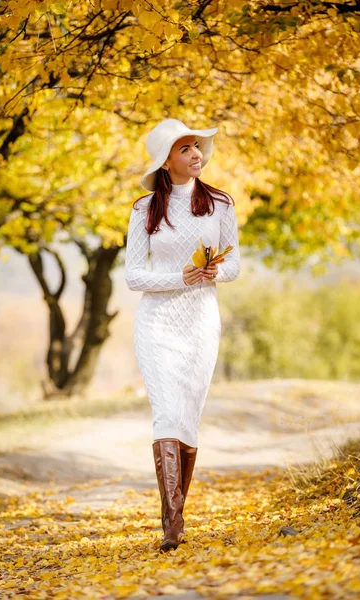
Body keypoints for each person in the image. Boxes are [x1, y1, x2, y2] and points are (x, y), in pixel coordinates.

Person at [125, 118, 241, 551]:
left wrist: (215, 271)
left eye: (197, 146)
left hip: (200, 324)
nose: (196, 154)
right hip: (156, 323)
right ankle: (172, 523)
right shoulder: (143, 209)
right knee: (166, 414)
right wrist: (181, 277)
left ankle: (176, 510)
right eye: (186, 148)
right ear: (166, 160)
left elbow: (235, 265)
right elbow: (134, 277)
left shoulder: (221, 204)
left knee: (188, 418)